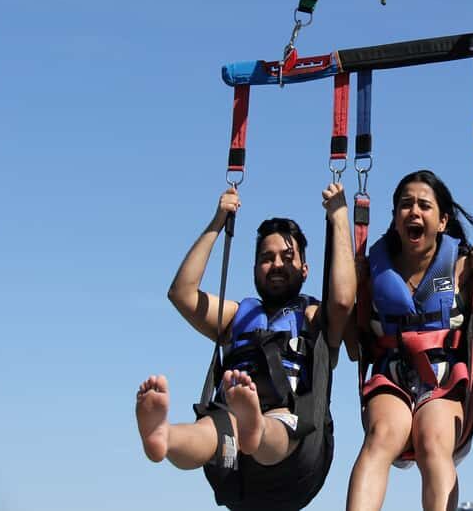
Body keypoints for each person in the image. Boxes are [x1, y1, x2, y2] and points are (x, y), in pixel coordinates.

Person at [135, 183, 356, 511]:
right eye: (266, 258)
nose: (277, 264)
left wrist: (339, 218)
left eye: (287, 257)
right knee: (211, 430)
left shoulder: (313, 317)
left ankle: (255, 426)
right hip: (235, 456)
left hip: (294, 444)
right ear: (254, 270)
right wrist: (218, 222)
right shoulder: (237, 315)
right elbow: (181, 293)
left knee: (272, 427)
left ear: (305, 270)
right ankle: (164, 438)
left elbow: (342, 299)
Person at [344, 170, 473, 511]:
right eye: (405, 205)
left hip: (444, 379)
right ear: (395, 219)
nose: (414, 212)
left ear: (442, 221)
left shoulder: (465, 268)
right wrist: (351, 278)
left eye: (425, 205)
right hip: (390, 376)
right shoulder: (372, 272)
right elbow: (351, 343)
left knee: (432, 441)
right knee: (381, 436)